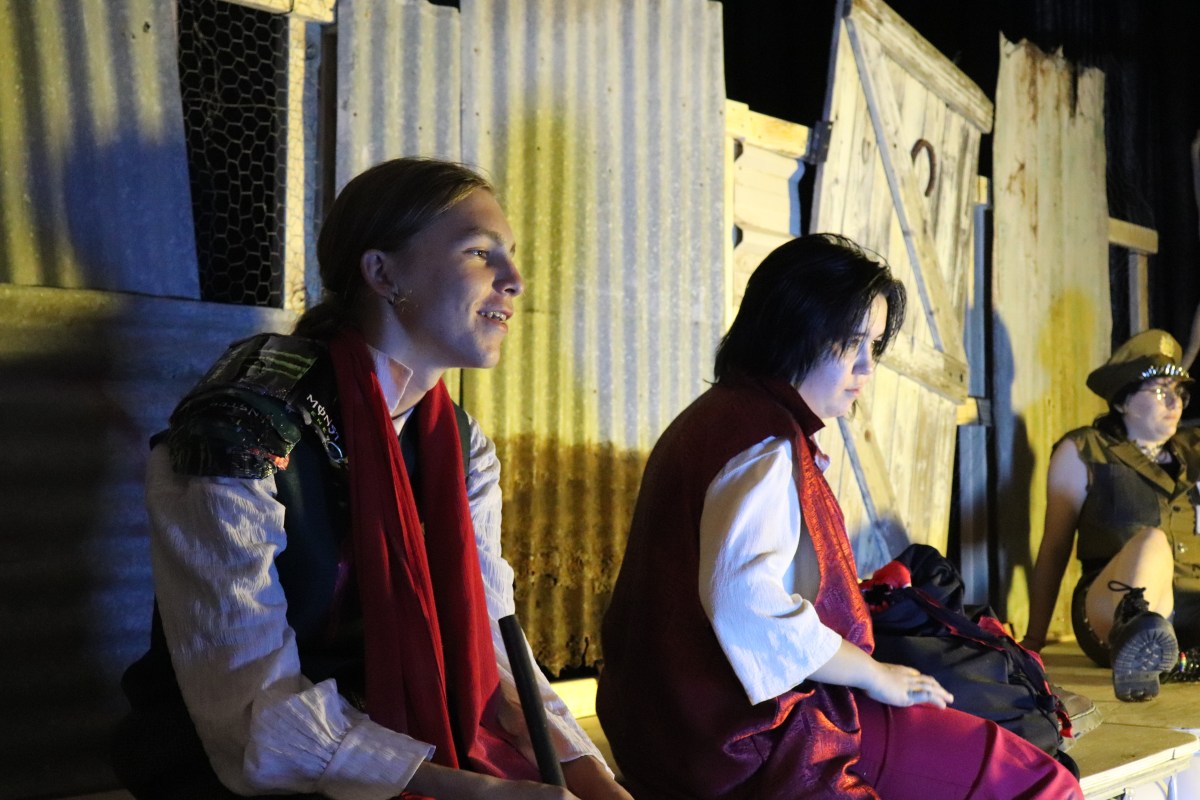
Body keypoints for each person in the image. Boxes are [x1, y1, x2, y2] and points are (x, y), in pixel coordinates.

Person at [111, 157, 631, 800]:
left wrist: (596, 781)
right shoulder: (240, 428)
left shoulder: (461, 447)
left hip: (409, 742)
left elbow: (492, 651)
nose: (515, 280)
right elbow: (253, 716)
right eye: (479, 253)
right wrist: (482, 793)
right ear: (382, 272)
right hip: (246, 773)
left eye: (512, 257)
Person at [596, 234, 1082, 800]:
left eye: (873, 345)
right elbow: (744, 600)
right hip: (748, 736)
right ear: (792, 330)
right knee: (1042, 782)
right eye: (851, 342)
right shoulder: (763, 442)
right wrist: (876, 675)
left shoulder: (719, 417)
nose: (865, 367)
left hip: (677, 726)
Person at [1023, 328, 1200, 701]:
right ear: (1122, 401)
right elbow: (1054, 547)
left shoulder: (1194, 451)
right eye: (1159, 391)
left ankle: (1173, 658)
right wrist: (1034, 640)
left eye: (1179, 392)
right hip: (1111, 604)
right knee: (1152, 541)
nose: (1175, 403)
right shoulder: (1085, 449)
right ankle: (1140, 645)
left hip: (1191, 608)